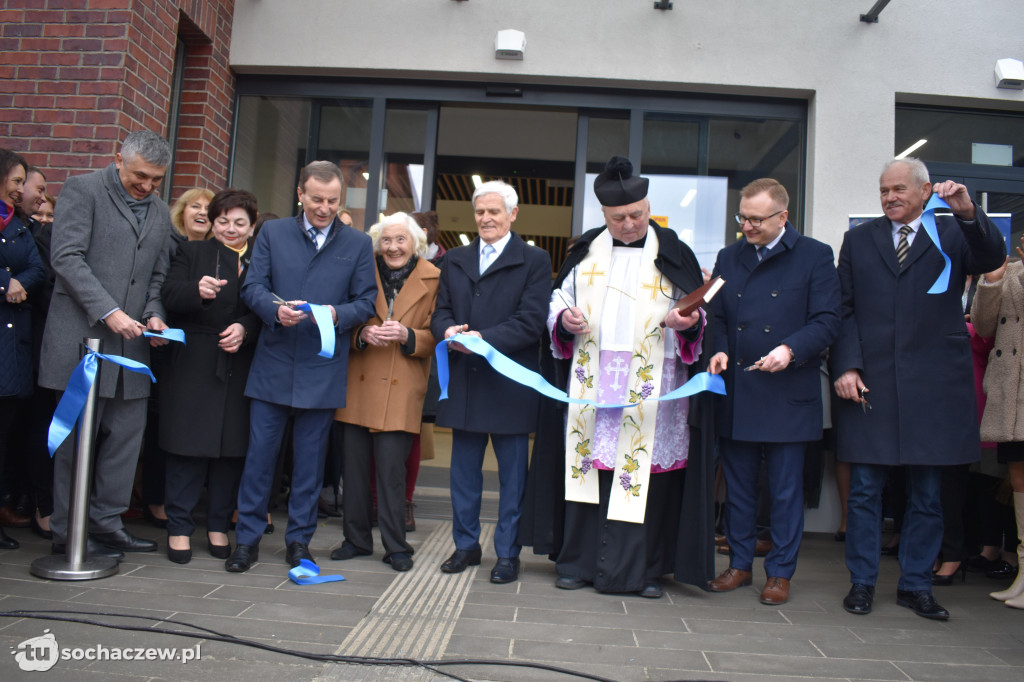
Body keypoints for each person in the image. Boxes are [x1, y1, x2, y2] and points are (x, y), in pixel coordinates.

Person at [831, 158, 1006, 620]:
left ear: (925, 190)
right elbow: (843, 309)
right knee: (866, 490)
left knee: (929, 493)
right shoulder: (858, 239)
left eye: (899, 190)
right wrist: (846, 365)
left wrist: (968, 213)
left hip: (935, 385)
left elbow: (991, 259)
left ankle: (915, 585)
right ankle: (863, 582)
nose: (889, 197)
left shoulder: (951, 233)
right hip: (872, 383)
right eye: (883, 190)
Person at [540, 156, 710, 598]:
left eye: (637, 214)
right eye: (619, 218)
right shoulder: (586, 249)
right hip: (592, 381)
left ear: (647, 206)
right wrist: (566, 321)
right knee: (589, 470)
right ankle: (578, 563)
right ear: (604, 215)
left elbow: (698, 313)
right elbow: (557, 300)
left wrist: (685, 322)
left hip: (653, 385)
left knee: (642, 474)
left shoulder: (673, 249)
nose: (630, 224)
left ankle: (643, 571)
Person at [226, 160, 377, 573]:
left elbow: (365, 302)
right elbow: (253, 286)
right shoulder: (273, 233)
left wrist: (333, 313)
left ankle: (300, 543)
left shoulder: (359, 244)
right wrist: (275, 310)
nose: (324, 208)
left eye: (332, 201)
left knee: (310, 464)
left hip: (322, 367)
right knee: (260, 458)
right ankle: (248, 541)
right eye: (316, 199)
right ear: (299, 193)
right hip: (274, 360)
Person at [39, 130, 174, 559]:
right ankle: (66, 528)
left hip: (132, 346)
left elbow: (157, 275)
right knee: (77, 440)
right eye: (141, 176)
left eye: (156, 179)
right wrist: (109, 310)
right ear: (119, 159)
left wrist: (155, 313)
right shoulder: (83, 188)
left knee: (126, 438)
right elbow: (66, 257)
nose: (148, 186)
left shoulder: (158, 210)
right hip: (82, 339)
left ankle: (107, 521)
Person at [706, 178, 841, 605]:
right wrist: (719, 352)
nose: (747, 226)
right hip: (739, 387)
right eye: (742, 217)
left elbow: (827, 321)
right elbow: (717, 316)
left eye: (756, 219)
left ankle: (780, 572)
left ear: (783, 217)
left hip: (787, 389)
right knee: (740, 488)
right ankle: (741, 565)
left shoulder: (815, 256)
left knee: (785, 492)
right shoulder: (729, 257)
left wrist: (790, 349)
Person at [430, 180, 551, 584]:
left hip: (509, 386)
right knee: (462, 475)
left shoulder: (534, 260)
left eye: (494, 212)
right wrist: (448, 331)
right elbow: (440, 311)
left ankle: (507, 553)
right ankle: (465, 546)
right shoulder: (456, 259)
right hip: (464, 382)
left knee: (513, 478)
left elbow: (532, 322)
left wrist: (483, 341)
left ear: (512, 215)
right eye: (480, 212)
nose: (486, 219)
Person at [330, 212, 439, 571]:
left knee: (391, 473)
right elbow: (341, 317)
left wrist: (409, 336)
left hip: (403, 382)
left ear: (416, 243)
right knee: (355, 470)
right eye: (387, 240)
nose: (393, 247)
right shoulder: (362, 270)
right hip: (359, 378)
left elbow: (439, 333)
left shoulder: (436, 278)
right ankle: (355, 539)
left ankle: (396, 547)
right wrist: (361, 334)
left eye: (401, 240)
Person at [158, 189, 262, 564]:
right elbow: (168, 293)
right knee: (186, 447)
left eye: (239, 223)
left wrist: (246, 329)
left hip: (241, 362)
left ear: (252, 226)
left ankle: (218, 524)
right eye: (222, 221)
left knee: (231, 450)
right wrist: (196, 291)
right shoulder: (192, 252)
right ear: (212, 222)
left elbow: (268, 306)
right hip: (196, 360)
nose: (229, 229)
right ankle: (180, 528)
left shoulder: (259, 260)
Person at [971, 236, 1024, 608]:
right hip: (1012, 394)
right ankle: (1023, 572)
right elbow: (984, 325)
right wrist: (990, 281)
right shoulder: (1011, 274)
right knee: (1018, 479)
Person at [0, 149, 45, 550]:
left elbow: (36, 269)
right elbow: (15, 274)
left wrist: (18, 282)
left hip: (11, 344)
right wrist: (4, 281)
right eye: (16, 180)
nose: (19, 189)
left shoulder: (19, 227)